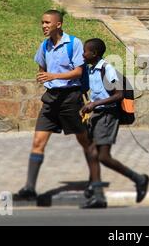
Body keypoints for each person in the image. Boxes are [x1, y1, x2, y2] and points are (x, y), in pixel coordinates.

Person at [14, 10, 100, 201]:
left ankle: (95, 182)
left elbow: (78, 71)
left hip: (71, 98)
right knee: (37, 142)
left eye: (47, 23)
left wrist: (54, 76)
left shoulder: (74, 44)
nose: (44, 26)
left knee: (85, 141)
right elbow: (42, 68)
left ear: (58, 24)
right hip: (51, 99)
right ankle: (29, 188)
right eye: (42, 22)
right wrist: (44, 76)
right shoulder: (44, 45)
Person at [80, 38, 149, 208]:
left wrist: (94, 104)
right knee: (91, 151)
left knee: (103, 156)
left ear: (94, 53)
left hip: (108, 115)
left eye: (85, 51)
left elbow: (119, 94)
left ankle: (139, 179)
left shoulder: (107, 68)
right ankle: (95, 191)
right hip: (97, 115)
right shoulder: (91, 70)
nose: (83, 54)